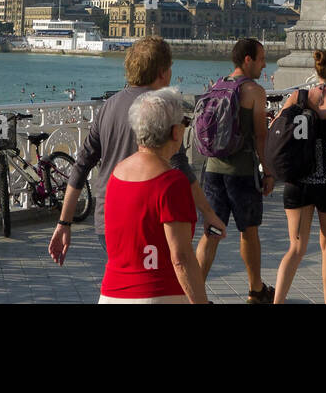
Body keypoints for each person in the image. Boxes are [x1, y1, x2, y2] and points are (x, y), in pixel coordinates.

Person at [51, 37, 226, 266]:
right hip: (148, 220)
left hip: (108, 221)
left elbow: (81, 166)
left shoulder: (108, 106)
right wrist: (208, 213)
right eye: (170, 68)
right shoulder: (162, 108)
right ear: (162, 72)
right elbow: (181, 167)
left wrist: (64, 223)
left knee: (124, 281)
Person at [98, 88, 207, 303]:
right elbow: (181, 258)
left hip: (112, 293)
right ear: (175, 132)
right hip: (158, 294)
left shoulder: (117, 174)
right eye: (185, 122)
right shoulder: (172, 183)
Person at [273, 49, 326, 304]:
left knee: (296, 248)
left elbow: (278, 125)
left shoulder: (298, 96)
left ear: (318, 69)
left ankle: (277, 301)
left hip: (298, 181)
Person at [195, 38, 275, 304]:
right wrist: (268, 172)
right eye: (261, 59)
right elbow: (261, 136)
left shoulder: (216, 85)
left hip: (212, 171)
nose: (264, 65)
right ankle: (255, 290)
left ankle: (194, 294)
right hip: (241, 172)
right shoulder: (254, 91)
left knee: (212, 233)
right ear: (248, 59)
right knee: (248, 231)